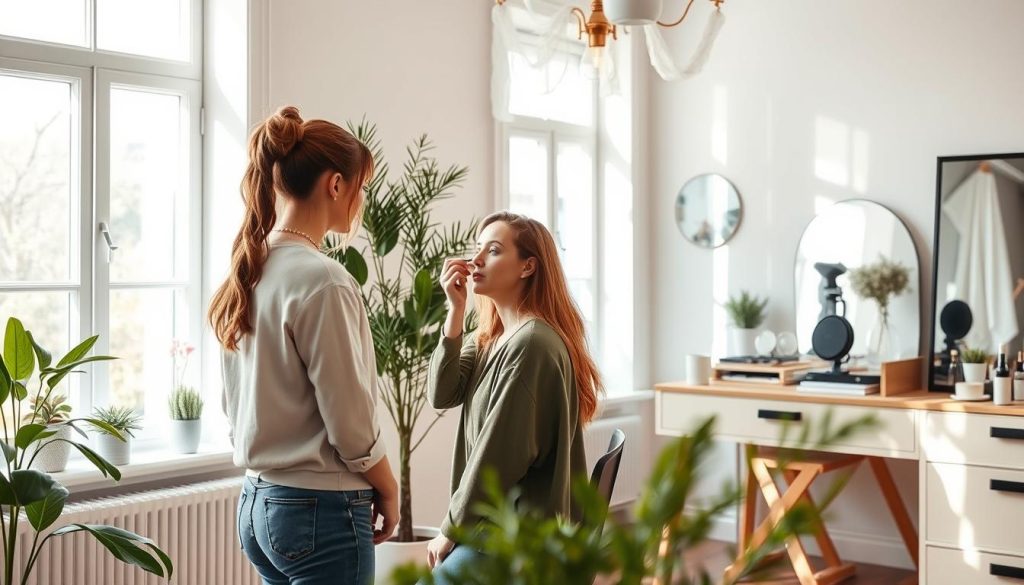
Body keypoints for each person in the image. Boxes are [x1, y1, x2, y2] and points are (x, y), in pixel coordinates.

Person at [209, 106, 398, 585]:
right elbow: (349, 421)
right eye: (361, 188)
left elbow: (233, 404)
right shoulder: (324, 280)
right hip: (319, 510)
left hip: (257, 504)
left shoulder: (248, 271)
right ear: (336, 184)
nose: (360, 201)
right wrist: (389, 488)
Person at [423, 211, 602, 582]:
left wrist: (451, 528)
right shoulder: (493, 336)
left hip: (514, 540)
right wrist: (455, 312)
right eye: (477, 250)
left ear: (527, 267)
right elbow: (441, 393)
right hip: (490, 529)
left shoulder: (532, 343)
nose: (475, 261)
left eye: (492, 250)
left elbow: (499, 455)